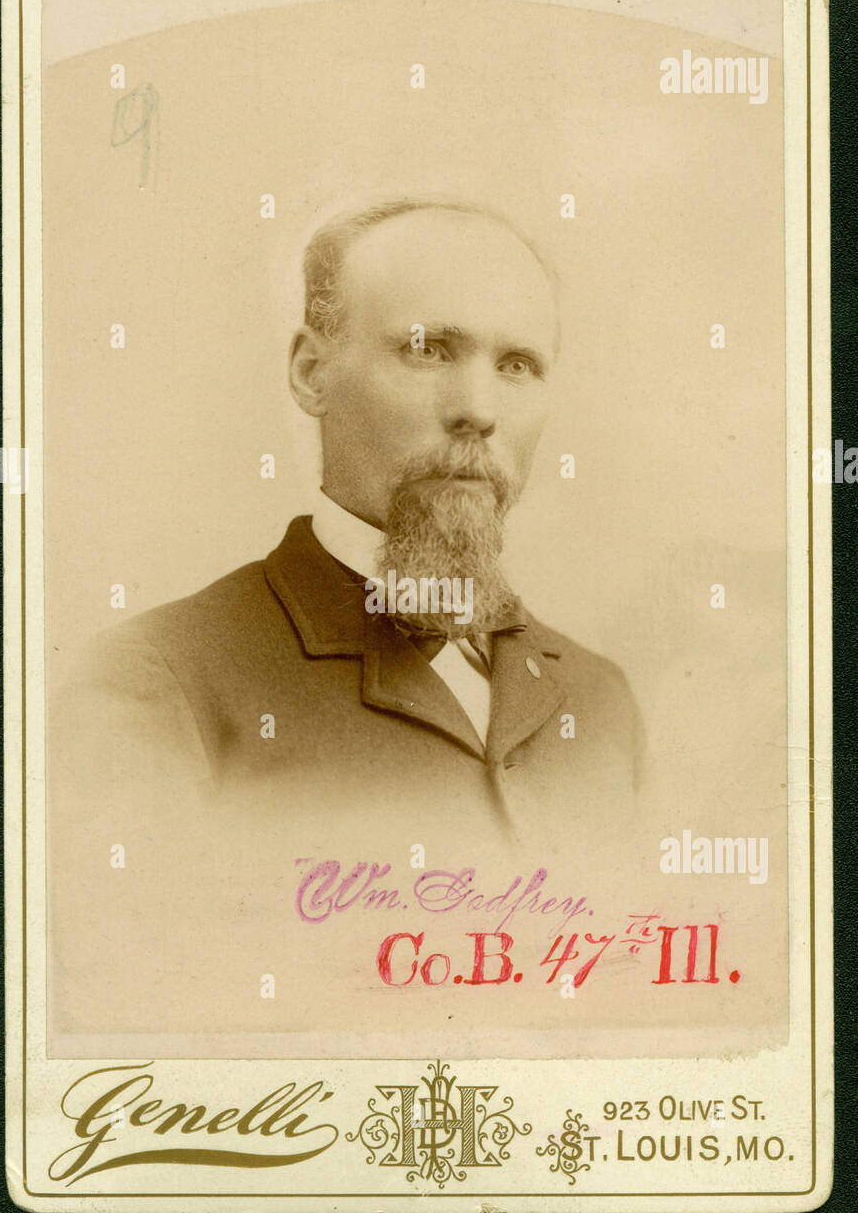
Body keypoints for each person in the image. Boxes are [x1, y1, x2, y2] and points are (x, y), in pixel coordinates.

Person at [54, 197, 644, 852]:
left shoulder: (598, 701)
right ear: (312, 374)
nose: (477, 410)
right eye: (429, 350)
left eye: (515, 365)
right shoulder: (158, 682)